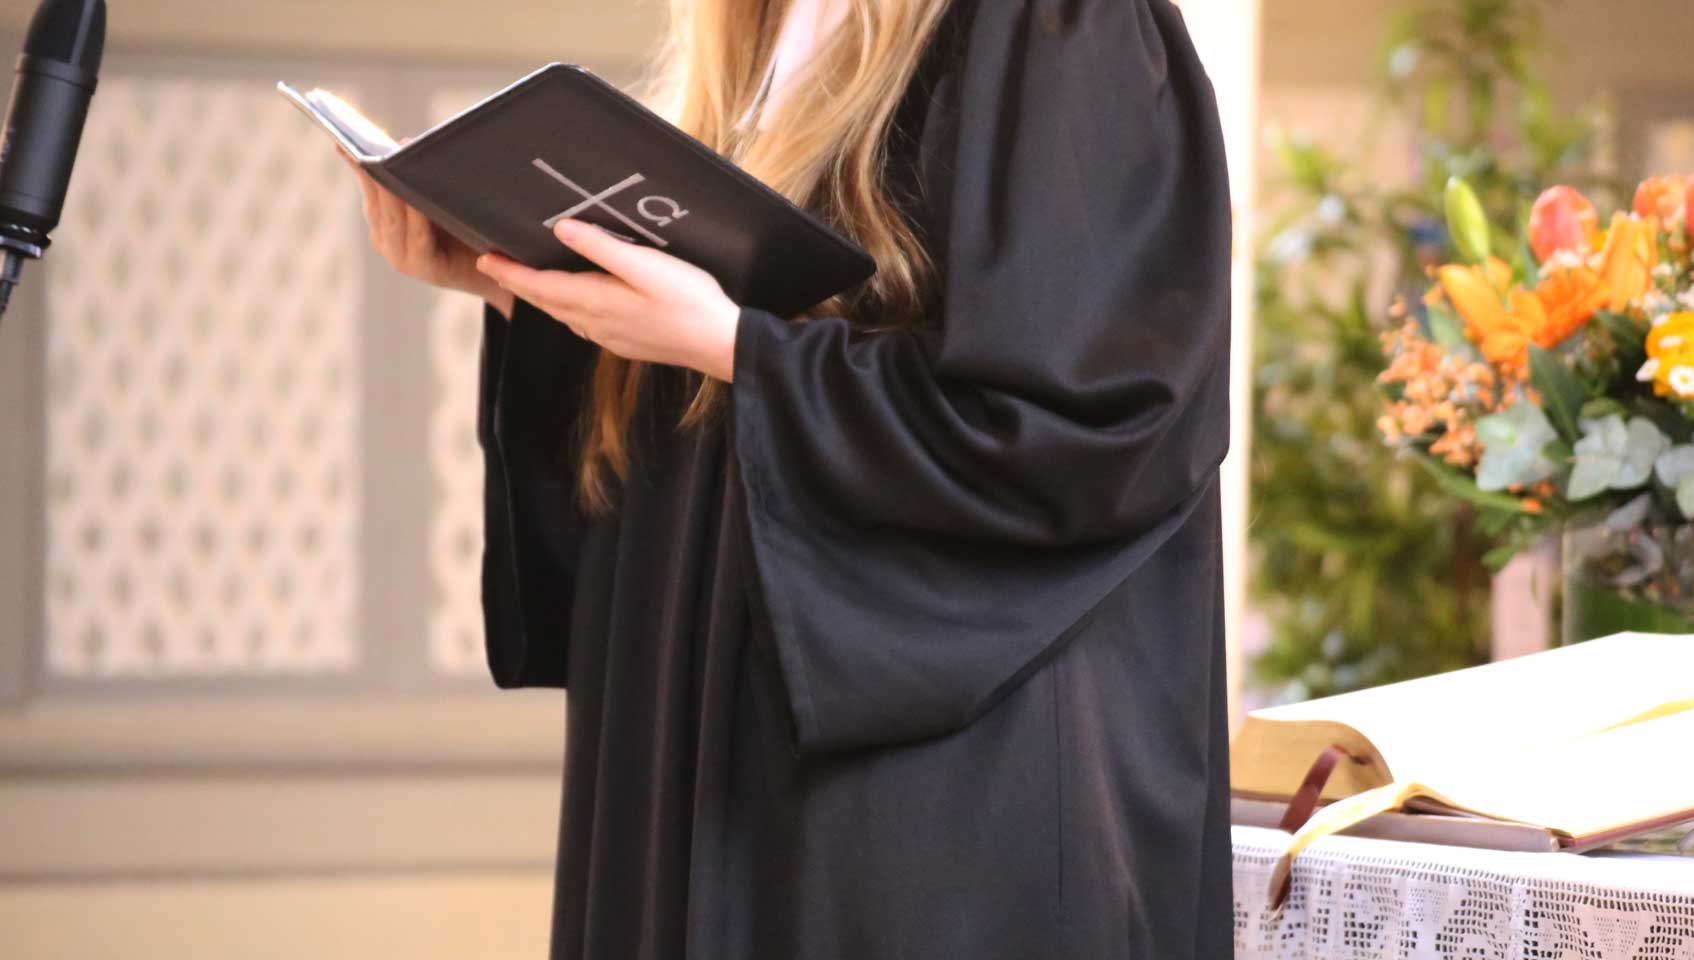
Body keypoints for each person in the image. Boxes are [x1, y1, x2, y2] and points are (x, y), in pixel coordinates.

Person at [347, 0, 1233, 956]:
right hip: (713, 742)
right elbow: (713, 411)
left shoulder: (1059, 24)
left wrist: (735, 346)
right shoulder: (758, 33)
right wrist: (519, 280)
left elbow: (1082, 423)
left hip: (931, 792)